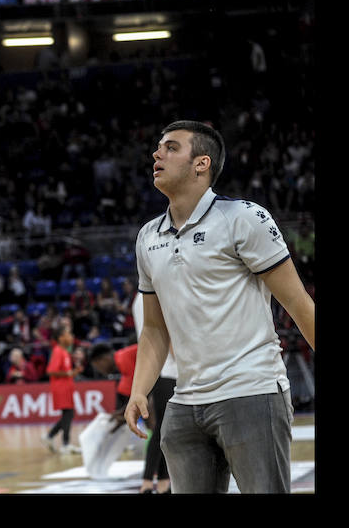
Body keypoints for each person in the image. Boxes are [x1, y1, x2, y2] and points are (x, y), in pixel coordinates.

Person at [124, 120, 315, 494]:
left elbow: (296, 301)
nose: (156, 153)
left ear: (202, 163)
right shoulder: (147, 236)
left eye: (171, 147)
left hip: (251, 392)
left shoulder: (243, 217)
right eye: (158, 147)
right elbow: (154, 329)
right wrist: (138, 391)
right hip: (184, 404)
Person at [132, 291, 176, 494]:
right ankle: (148, 481)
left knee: (162, 428)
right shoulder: (157, 294)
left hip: (154, 369)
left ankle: (162, 480)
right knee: (164, 429)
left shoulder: (138, 299)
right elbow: (168, 332)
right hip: (168, 368)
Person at [42, 325, 83, 454]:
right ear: (60, 338)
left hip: (66, 387)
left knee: (68, 415)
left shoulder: (64, 352)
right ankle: (65, 443)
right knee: (68, 414)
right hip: (61, 388)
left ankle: (50, 437)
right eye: (68, 334)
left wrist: (74, 372)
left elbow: (66, 372)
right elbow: (51, 371)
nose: (71, 337)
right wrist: (69, 374)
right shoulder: (58, 351)